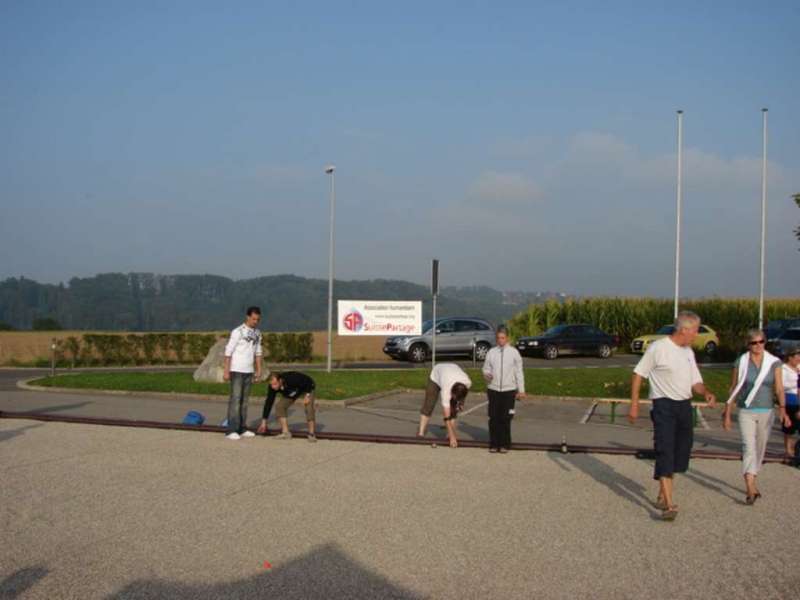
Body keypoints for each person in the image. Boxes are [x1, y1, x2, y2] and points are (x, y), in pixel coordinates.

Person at [628, 311, 716, 520]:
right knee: (665, 449)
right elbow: (638, 374)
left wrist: (706, 392)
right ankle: (669, 504)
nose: (696, 335)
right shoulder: (659, 348)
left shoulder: (688, 352)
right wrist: (634, 404)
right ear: (684, 329)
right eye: (695, 331)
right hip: (663, 406)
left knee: (680, 452)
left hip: (684, 406)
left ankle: (662, 491)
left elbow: (696, 381)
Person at [722, 329, 791, 504]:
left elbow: (779, 388)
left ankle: (753, 474)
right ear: (748, 345)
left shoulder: (773, 362)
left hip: (767, 411)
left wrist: (783, 410)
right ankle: (750, 486)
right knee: (748, 447)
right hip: (746, 410)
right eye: (754, 343)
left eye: (761, 342)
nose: (758, 345)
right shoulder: (742, 361)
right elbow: (734, 387)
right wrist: (728, 413)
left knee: (760, 448)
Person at [482, 325, 525, 454]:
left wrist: (521, 390)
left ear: (507, 338)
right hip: (493, 390)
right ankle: (494, 444)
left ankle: (505, 444)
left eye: (502, 338)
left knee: (506, 418)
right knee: (493, 417)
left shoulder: (514, 353)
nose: (500, 340)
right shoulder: (491, 352)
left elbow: (519, 372)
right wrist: (486, 373)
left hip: (509, 391)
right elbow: (485, 368)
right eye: (498, 338)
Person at [223, 306, 263, 440]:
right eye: (253, 319)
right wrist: (226, 371)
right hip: (237, 370)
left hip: (249, 371)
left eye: (257, 319)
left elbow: (258, 352)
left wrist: (258, 370)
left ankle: (242, 427)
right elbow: (228, 352)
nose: (255, 322)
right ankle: (231, 429)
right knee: (235, 399)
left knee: (244, 401)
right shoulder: (237, 332)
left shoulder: (258, 333)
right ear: (247, 317)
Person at [417, 363, 472, 448]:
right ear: (451, 392)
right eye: (453, 397)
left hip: (452, 370)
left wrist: (461, 403)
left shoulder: (467, 382)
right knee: (429, 405)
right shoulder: (446, 389)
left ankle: (449, 435)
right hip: (435, 376)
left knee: (454, 409)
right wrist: (453, 437)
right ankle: (420, 433)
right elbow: (446, 417)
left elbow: (463, 395)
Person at [258, 371, 318, 442]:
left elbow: (309, 383)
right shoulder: (272, 387)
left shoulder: (291, 379)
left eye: (275, 384)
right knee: (280, 406)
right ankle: (286, 433)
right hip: (291, 392)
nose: (273, 387)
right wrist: (264, 422)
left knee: (309, 407)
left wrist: (307, 395)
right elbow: (268, 403)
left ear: (280, 380)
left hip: (307, 387)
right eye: (271, 385)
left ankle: (311, 434)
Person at [780, 348, 800, 459]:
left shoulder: (799, 368)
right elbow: (781, 385)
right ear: (790, 357)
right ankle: (788, 450)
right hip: (790, 398)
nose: (799, 360)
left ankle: (796, 449)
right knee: (789, 427)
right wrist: (796, 385)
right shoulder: (783, 369)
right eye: (797, 357)